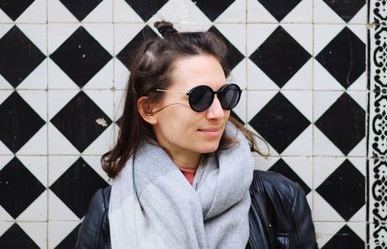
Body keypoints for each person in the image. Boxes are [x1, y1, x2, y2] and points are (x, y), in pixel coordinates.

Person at [75, 21, 318, 249]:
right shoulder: (110, 210)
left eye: (225, 95)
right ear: (150, 109)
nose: (217, 113)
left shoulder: (279, 199)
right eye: (199, 97)